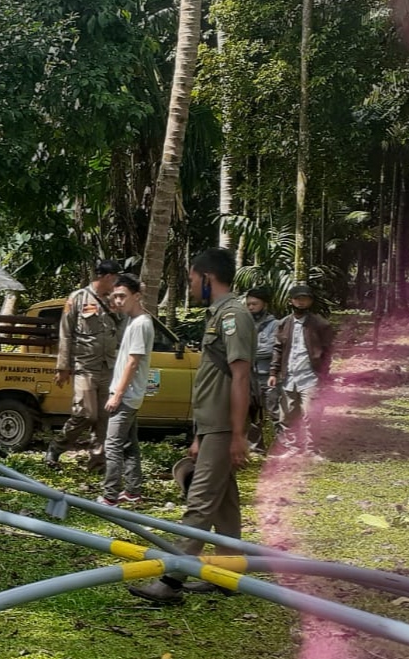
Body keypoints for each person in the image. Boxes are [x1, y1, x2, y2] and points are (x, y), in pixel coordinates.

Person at [129, 249, 254, 604]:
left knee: (199, 504)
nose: (191, 285)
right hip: (212, 427)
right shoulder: (218, 316)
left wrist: (238, 434)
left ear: (207, 278)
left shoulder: (234, 316)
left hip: (223, 427)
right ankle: (229, 575)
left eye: (192, 279)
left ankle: (171, 581)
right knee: (225, 503)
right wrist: (200, 436)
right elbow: (215, 377)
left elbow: (241, 376)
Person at [45, 260, 122, 470]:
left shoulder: (115, 300)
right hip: (85, 366)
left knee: (104, 418)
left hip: (108, 367)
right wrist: (63, 367)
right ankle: (57, 446)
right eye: (114, 278)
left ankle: (98, 462)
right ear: (106, 277)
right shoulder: (78, 298)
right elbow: (66, 332)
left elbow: (122, 332)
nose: (116, 282)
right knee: (86, 414)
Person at [98, 275, 153, 507]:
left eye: (122, 296)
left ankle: (110, 496)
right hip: (129, 394)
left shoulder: (140, 323)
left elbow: (133, 362)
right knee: (129, 445)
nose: (118, 301)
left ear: (137, 296)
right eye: (115, 296)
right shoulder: (134, 321)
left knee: (112, 446)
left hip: (126, 395)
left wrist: (117, 395)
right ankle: (132, 491)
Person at [269, 284, 334, 459]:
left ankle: (312, 450)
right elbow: (278, 349)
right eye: (298, 298)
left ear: (311, 301)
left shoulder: (320, 324)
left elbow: (328, 352)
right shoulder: (284, 323)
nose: (301, 302)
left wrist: (324, 375)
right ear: (291, 300)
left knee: (311, 414)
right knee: (287, 415)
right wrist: (273, 373)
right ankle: (293, 448)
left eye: (305, 298)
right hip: (289, 376)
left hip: (310, 377)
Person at [245, 289, 281, 452]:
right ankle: (255, 448)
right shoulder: (244, 324)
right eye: (248, 304)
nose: (251, 307)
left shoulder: (276, 325)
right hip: (249, 377)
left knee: (275, 411)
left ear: (264, 304)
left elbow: (272, 349)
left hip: (269, 376)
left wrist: (247, 353)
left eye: (254, 304)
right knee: (252, 413)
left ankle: (284, 446)